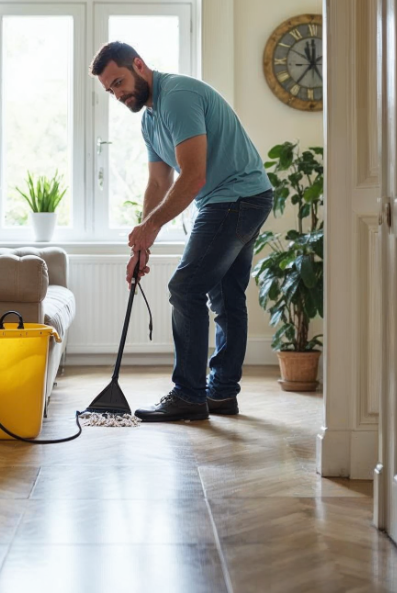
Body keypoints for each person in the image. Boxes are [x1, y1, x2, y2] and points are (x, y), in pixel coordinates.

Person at [89, 41, 274, 422]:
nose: (118, 94)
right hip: (239, 198)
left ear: (139, 65)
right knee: (226, 296)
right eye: (111, 90)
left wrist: (151, 227)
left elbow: (194, 176)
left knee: (185, 288)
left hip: (234, 198)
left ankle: (190, 394)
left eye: (120, 82)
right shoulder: (149, 119)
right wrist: (142, 242)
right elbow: (158, 184)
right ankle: (221, 394)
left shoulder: (177, 97)